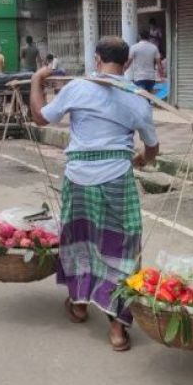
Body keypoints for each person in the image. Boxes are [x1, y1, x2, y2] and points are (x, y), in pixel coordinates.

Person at [29, 36, 159, 352]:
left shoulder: (76, 88)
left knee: (79, 241)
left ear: (97, 59)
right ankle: (117, 328)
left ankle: (78, 305)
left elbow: (39, 117)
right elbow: (153, 148)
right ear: (127, 64)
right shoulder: (138, 97)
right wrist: (140, 159)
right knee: (124, 249)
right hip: (117, 177)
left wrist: (36, 80)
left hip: (79, 177)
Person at [125, 29, 163, 93]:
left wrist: (121, 72)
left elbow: (128, 64)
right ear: (149, 37)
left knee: (141, 98)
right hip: (151, 78)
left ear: (139, 36)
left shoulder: (134, 47)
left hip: (139, 77)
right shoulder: (154, 47)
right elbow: (159, 65)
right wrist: (161, 77)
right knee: (148, 98)